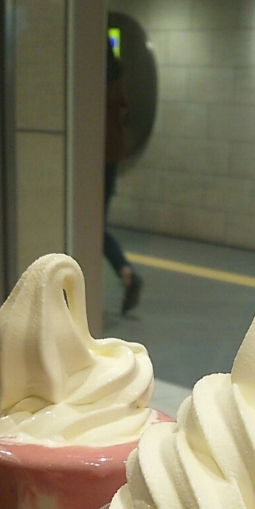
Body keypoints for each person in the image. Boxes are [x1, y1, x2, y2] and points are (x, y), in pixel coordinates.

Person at [104, 47, 143, 315]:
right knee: (95, 228)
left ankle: (126, 272)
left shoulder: (94, 90)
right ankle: (127, 273)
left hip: (92, 166)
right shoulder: (118, 88)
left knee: (90, 228)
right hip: (110, 165)